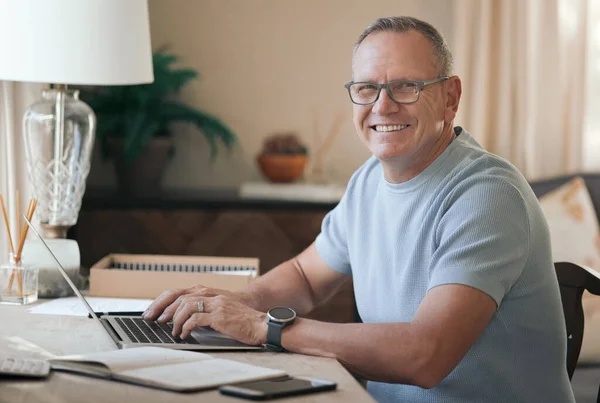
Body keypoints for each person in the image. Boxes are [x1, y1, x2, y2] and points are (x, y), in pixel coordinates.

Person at [143, 16, 575, 402]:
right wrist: (234, 304)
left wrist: (263, 327)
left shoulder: (486, 194)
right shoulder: (369, 180)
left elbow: (427, 355)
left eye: (406, 86)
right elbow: (305, 279)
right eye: (367, 88)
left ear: (449, 96)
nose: (382, 106)